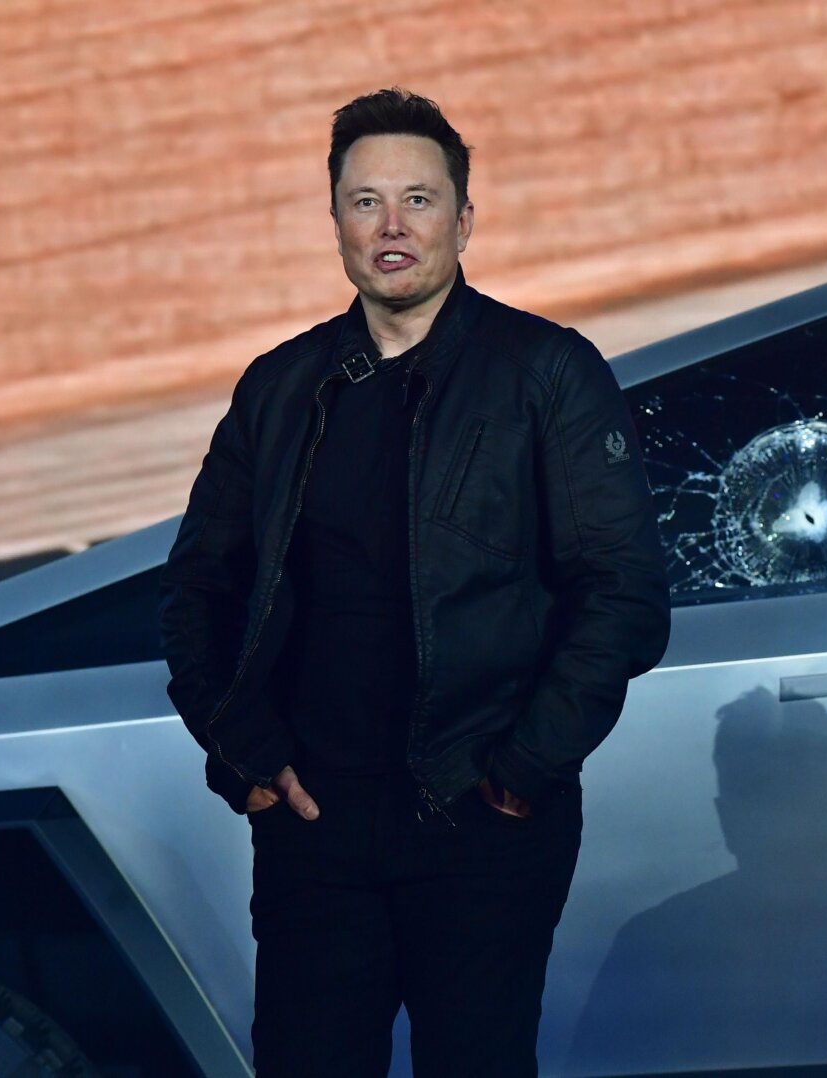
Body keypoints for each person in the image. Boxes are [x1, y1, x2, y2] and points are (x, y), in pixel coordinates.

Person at [156, 87, 671, 1077]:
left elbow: (623, 590)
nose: (392, 227)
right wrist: (246, 750)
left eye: (419, 200)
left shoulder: (549, 372)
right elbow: (198, 589)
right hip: (315, 829)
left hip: (481, 823)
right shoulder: (280, 385)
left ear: (464, 219)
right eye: (365, 201)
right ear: (337, 221)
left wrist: (521, 773)